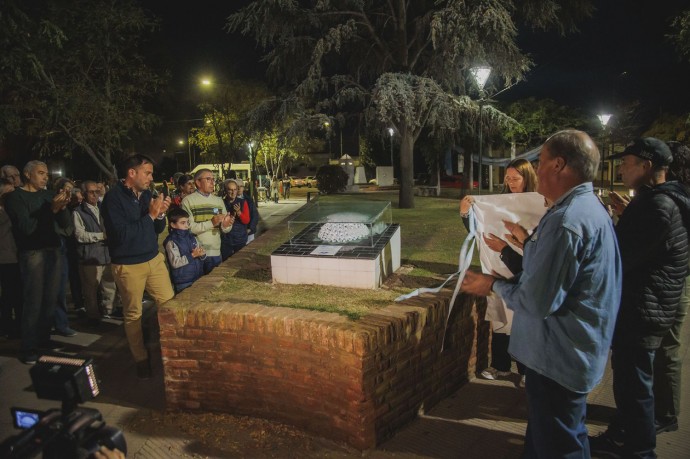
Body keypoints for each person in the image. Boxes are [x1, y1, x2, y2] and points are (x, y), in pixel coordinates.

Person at [461, 130, 622, 458]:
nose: (538, 167)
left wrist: (491, 284)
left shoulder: (566, 222)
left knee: (560, 446)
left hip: (558, 361)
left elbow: (536, 301)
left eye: (542, 161)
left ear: (559, 165)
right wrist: (523, 242)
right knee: (548, 439)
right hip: (570, 353)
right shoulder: (588, 209)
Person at [591, 138, 690, 458]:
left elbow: (623, 257)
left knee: (635, 387)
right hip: (648, 305)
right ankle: (625, 436)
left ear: (646, 166)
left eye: (627, 162)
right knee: (633, 384)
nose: (620, 167)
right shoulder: (661, 200)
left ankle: (639, 450)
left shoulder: (657, 206)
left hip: (642, 309)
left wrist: (606, 224)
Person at [459, 158, 537, 386]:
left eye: (516, 178)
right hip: (498, 266)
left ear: (527, 177)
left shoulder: (536, 202)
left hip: (525, 268)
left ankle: (526, 370)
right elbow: (480, 229)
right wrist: (466, 215)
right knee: (500, 317)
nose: (511, 182)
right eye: (508, 178)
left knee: (523, 320)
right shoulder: (499, 202)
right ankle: (501, 365)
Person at [102, 154, 175, 379]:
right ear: (131, 173)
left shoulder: (145, 195)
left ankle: (172, 353)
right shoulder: (113, 199)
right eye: (147, 173)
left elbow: (154, 229)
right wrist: (151, 215)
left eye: (152, 173)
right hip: (128, 264)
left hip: (153, 259)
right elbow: (122, 236)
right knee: (134, 314)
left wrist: (160, 213)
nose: (151, 177)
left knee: (170, 306)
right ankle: (141, 359)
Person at [4, 160, 72, 364]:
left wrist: (63, 207)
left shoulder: (48, 195)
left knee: (50, 299)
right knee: (33, 301)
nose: (45, 177)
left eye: (46, 174)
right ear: (27, 174)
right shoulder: (15, 197)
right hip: (32, 253)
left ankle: (43, 339)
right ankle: (28, 347)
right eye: (40, 173)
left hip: (53, 250)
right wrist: (51, 210)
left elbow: (65, 226)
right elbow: (26, 227)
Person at [653, 141, 690, 435]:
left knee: (668, 349)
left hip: (673, 282)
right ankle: (662, 410)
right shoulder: (678, 196)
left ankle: (666, 414)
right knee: (667, 348)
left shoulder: (671, 199)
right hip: (676, 280)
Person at [73, 180, 119, 325]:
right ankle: (93, 315)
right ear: (83, 193)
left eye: (97, 192)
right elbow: (79, 235)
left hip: (106, 253)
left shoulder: (103, 208)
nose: (94, 195)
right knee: (91, 288)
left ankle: (109, 310)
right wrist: (101, 236)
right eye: (91, 192)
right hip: (90, 256)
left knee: (109, 285)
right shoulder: (78, 212)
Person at [181, 169, 234, 274]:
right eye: (208, 179)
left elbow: (225, 228)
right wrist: (211, 223)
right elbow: (189, 228)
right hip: (197, 253)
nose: (212, 182)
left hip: (215, 252)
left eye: (213, 179)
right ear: (198, 182)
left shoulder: (218, 201)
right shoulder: (188, 201)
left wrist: (226, 225)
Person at [50, 178, 78, 338]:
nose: (68, 193)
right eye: (65, 189)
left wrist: (63, 209)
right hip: (49, 248)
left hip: (62, 249)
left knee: (60, 289)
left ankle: (61, 324)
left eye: (71, 190)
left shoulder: (65, 208)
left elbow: (68, 229)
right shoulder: (49, 204)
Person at [164, 207, 205, 293]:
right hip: (183, 281)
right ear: (173, 224)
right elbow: (175, 262)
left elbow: (199, 250)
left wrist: (202, 254)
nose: (187, 225)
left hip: (197, 276)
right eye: (183, 223)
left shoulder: (192, 237)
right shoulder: (171, 241)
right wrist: (193, 255)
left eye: (187, 222)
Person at [0, 178, 22, 339]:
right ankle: (6, 326)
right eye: (7, 194)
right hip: (5, 259)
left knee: (19, 295)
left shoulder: (14, 210)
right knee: (7, 296)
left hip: (18, 256)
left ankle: (18, 326)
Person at [220, 179, 250, 260]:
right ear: (225, 190)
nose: (233, 192)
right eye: (230, 190)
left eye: (235, 190)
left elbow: (246, 220)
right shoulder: (220, 203)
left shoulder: (243, 202)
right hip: (226, 240)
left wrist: (239, 213)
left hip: (240, 239)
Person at [239, 178, 259, 243]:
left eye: (241, 186)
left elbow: (255, 215)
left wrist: (250, 228)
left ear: (243, 188)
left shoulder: (248, 199)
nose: (239, 188)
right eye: (237, 186)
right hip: (237, 234)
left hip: (249, 233)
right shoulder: (230, 200)